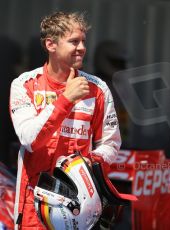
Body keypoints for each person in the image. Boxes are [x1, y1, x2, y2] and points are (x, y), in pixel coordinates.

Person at [9, 11, 121, 229]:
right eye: (73, 41)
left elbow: (111, 143)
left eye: (83, 41)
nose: (81, 48)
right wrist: (66, 99)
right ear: (51, 44)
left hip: (81, 207)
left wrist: (91, 161)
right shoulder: (25, 84)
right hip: (35, 207)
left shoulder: (97, 88)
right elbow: (29, 139)